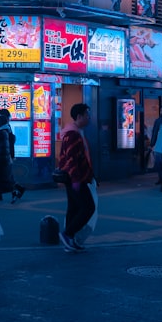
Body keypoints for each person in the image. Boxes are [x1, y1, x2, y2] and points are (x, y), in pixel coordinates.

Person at [58, 103, 95, 252]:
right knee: (88, 207)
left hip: (74, 177)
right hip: (75, 178)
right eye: (87, 115)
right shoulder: (73, 134)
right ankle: (68, 234)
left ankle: (70, 240)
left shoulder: (74, 132)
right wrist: (76, 180)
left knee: (74, 208)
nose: (89, 118)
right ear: (79, 117)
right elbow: (72, 159)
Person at [0, 108, 25, 203]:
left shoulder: (3, 129)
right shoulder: (7, 128)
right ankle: (1, 194)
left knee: (1, 177)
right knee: (7, 177)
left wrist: (12, 156)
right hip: (5, 157)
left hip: (1, 157)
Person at [150, 105, 162, 185]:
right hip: (159, 143)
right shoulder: (158, 121)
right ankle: (161, 178)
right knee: (158, 162)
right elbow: (154, 132)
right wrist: (152, 144)